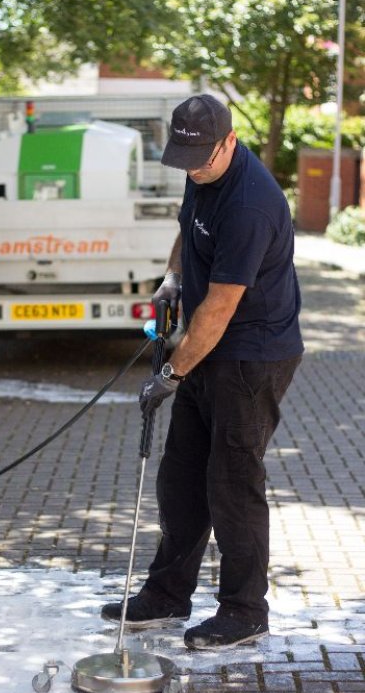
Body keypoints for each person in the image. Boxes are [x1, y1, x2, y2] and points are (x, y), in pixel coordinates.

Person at [102, 94, 304, 650]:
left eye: (201, 160)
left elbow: (218, 309)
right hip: (208, 347)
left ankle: (245, 610)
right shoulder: (201, 169)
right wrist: (172, 278)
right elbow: (187, 227)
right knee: (181, 477)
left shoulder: (250, 205)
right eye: (184, 160)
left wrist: (170, 373)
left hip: (252, 356)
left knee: (231, 484)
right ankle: (167, 594)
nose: (192, 170)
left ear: (229, 142)